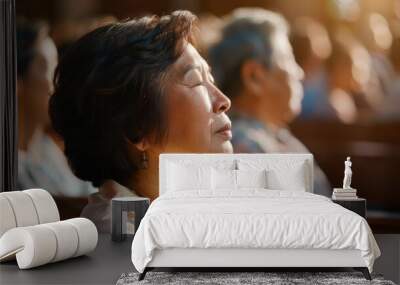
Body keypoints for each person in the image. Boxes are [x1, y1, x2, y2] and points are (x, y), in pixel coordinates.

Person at [49, 11, 233, 231]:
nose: (223, 101)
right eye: (196, 81)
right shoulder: (121, 237)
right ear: (137, 129)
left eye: (211, 79)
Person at [207, 8, 331, 196]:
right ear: (254, 77)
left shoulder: (271, 136)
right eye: (288, 59)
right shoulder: (245, 150)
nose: (300, 73)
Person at [16, 18, 97, 197]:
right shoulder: (12, 169)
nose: (56, 83)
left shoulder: (49, 150)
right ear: (17, 82)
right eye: (47, 67)